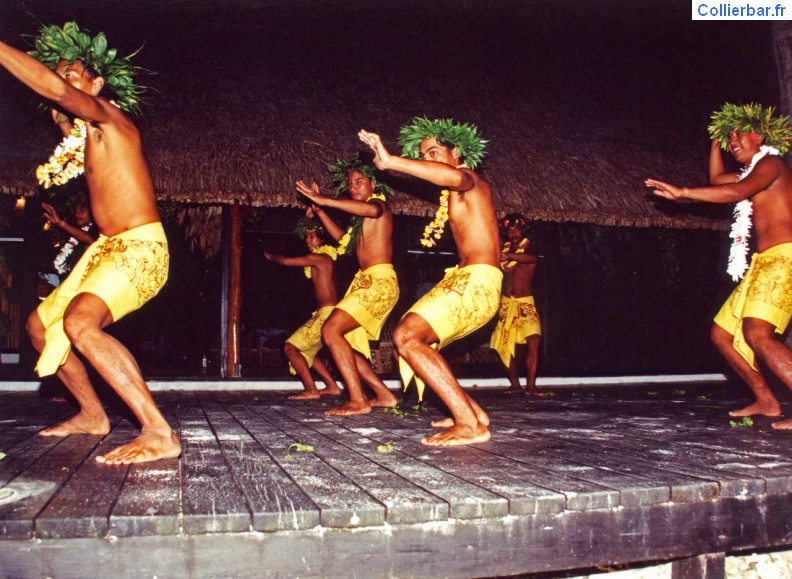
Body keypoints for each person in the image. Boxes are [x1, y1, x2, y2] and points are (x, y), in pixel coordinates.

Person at [0, 22, 180, 463]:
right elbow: (62, 112)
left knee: (80, 324)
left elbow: (59, 95)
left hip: (140, 248)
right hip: (104, 250)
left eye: (73, 72)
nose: (63, 79)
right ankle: (92, 414)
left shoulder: (113, 119)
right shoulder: (88, 134)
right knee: (41, 328)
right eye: (58, 71)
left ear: (97, 85)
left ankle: (159, 432)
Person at [646, 102, 792, 429]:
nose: (732, 142)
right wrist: (716, 139)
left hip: (786, 257)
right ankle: (767, 401)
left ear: (759, 135)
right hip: (764, 263)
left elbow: (736, 191)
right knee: (722, 334)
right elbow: (717, 178)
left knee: (757, 334)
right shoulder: (755, 168)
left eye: (739, 134)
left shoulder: (771, 164)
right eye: (729, 138)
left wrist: (683, 192)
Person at [359, 117, 502, 446]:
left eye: (435, 152)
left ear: (457, 153)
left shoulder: (469, 180)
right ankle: (472, 413)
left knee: (407, 336)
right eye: (425, 155)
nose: (428, 160)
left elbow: (452, 176)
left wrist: (392, 161)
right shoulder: (457, 192)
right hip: (470, 279)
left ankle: (469, 425)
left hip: (477, 280)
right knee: (417, 340)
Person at [295, 156, 400, 415]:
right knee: (341, 341)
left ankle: (358, 400)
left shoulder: (378, 206)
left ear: (374, 184)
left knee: (330, 331)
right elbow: (344, 239)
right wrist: (319, 210)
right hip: (366, 283)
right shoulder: (361, 219)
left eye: (359, 181)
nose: (353, 187)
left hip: (378, 281)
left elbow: (372, 210)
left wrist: (325, 200)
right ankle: (384, 395)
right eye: (350, 183)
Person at [264, 219, 343, 400]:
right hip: (325, 313)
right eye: (306, 236)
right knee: (306, 351)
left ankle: (311, 390)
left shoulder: (321, 258)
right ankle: (332, 387)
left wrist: (270, 257)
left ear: (322, 240)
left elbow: (286, 261)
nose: (307, 240)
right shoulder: (322, 258)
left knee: (290, 348)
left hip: (327, 314)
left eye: (312, 236)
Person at [489, 213, 542, 395]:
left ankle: (531, 386)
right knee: (500, 345)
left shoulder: (530, 249)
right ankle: (515, 385)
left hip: (525, 302)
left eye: (517, 229)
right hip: (505, 303)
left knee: (533, 341)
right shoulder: (499, 251)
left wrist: (508, 255)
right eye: (510, 230)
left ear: (523, 230)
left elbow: (531, 259)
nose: (513, 234)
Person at [41, 200, 99, 289]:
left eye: (82, 210)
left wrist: (60, 223)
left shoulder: (98, 233)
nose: (77, 214)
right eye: (76, 211)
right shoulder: (73, 233)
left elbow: (89, 240)